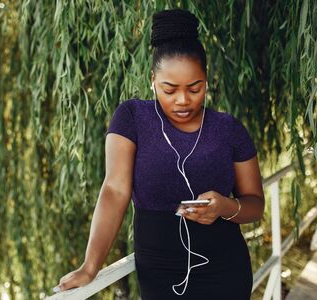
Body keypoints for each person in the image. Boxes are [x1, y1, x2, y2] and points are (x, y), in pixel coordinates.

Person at [53, 8, 265, 299]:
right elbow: (115, 190)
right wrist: (90, 266)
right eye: (169, 89)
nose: (182, 100)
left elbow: (255, 205)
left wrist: (225, 207)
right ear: (153, 79)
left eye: (195, 88)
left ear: (206, 79)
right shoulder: (132, 118)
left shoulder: (228, 128)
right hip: (159, 275)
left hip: (225, 272)